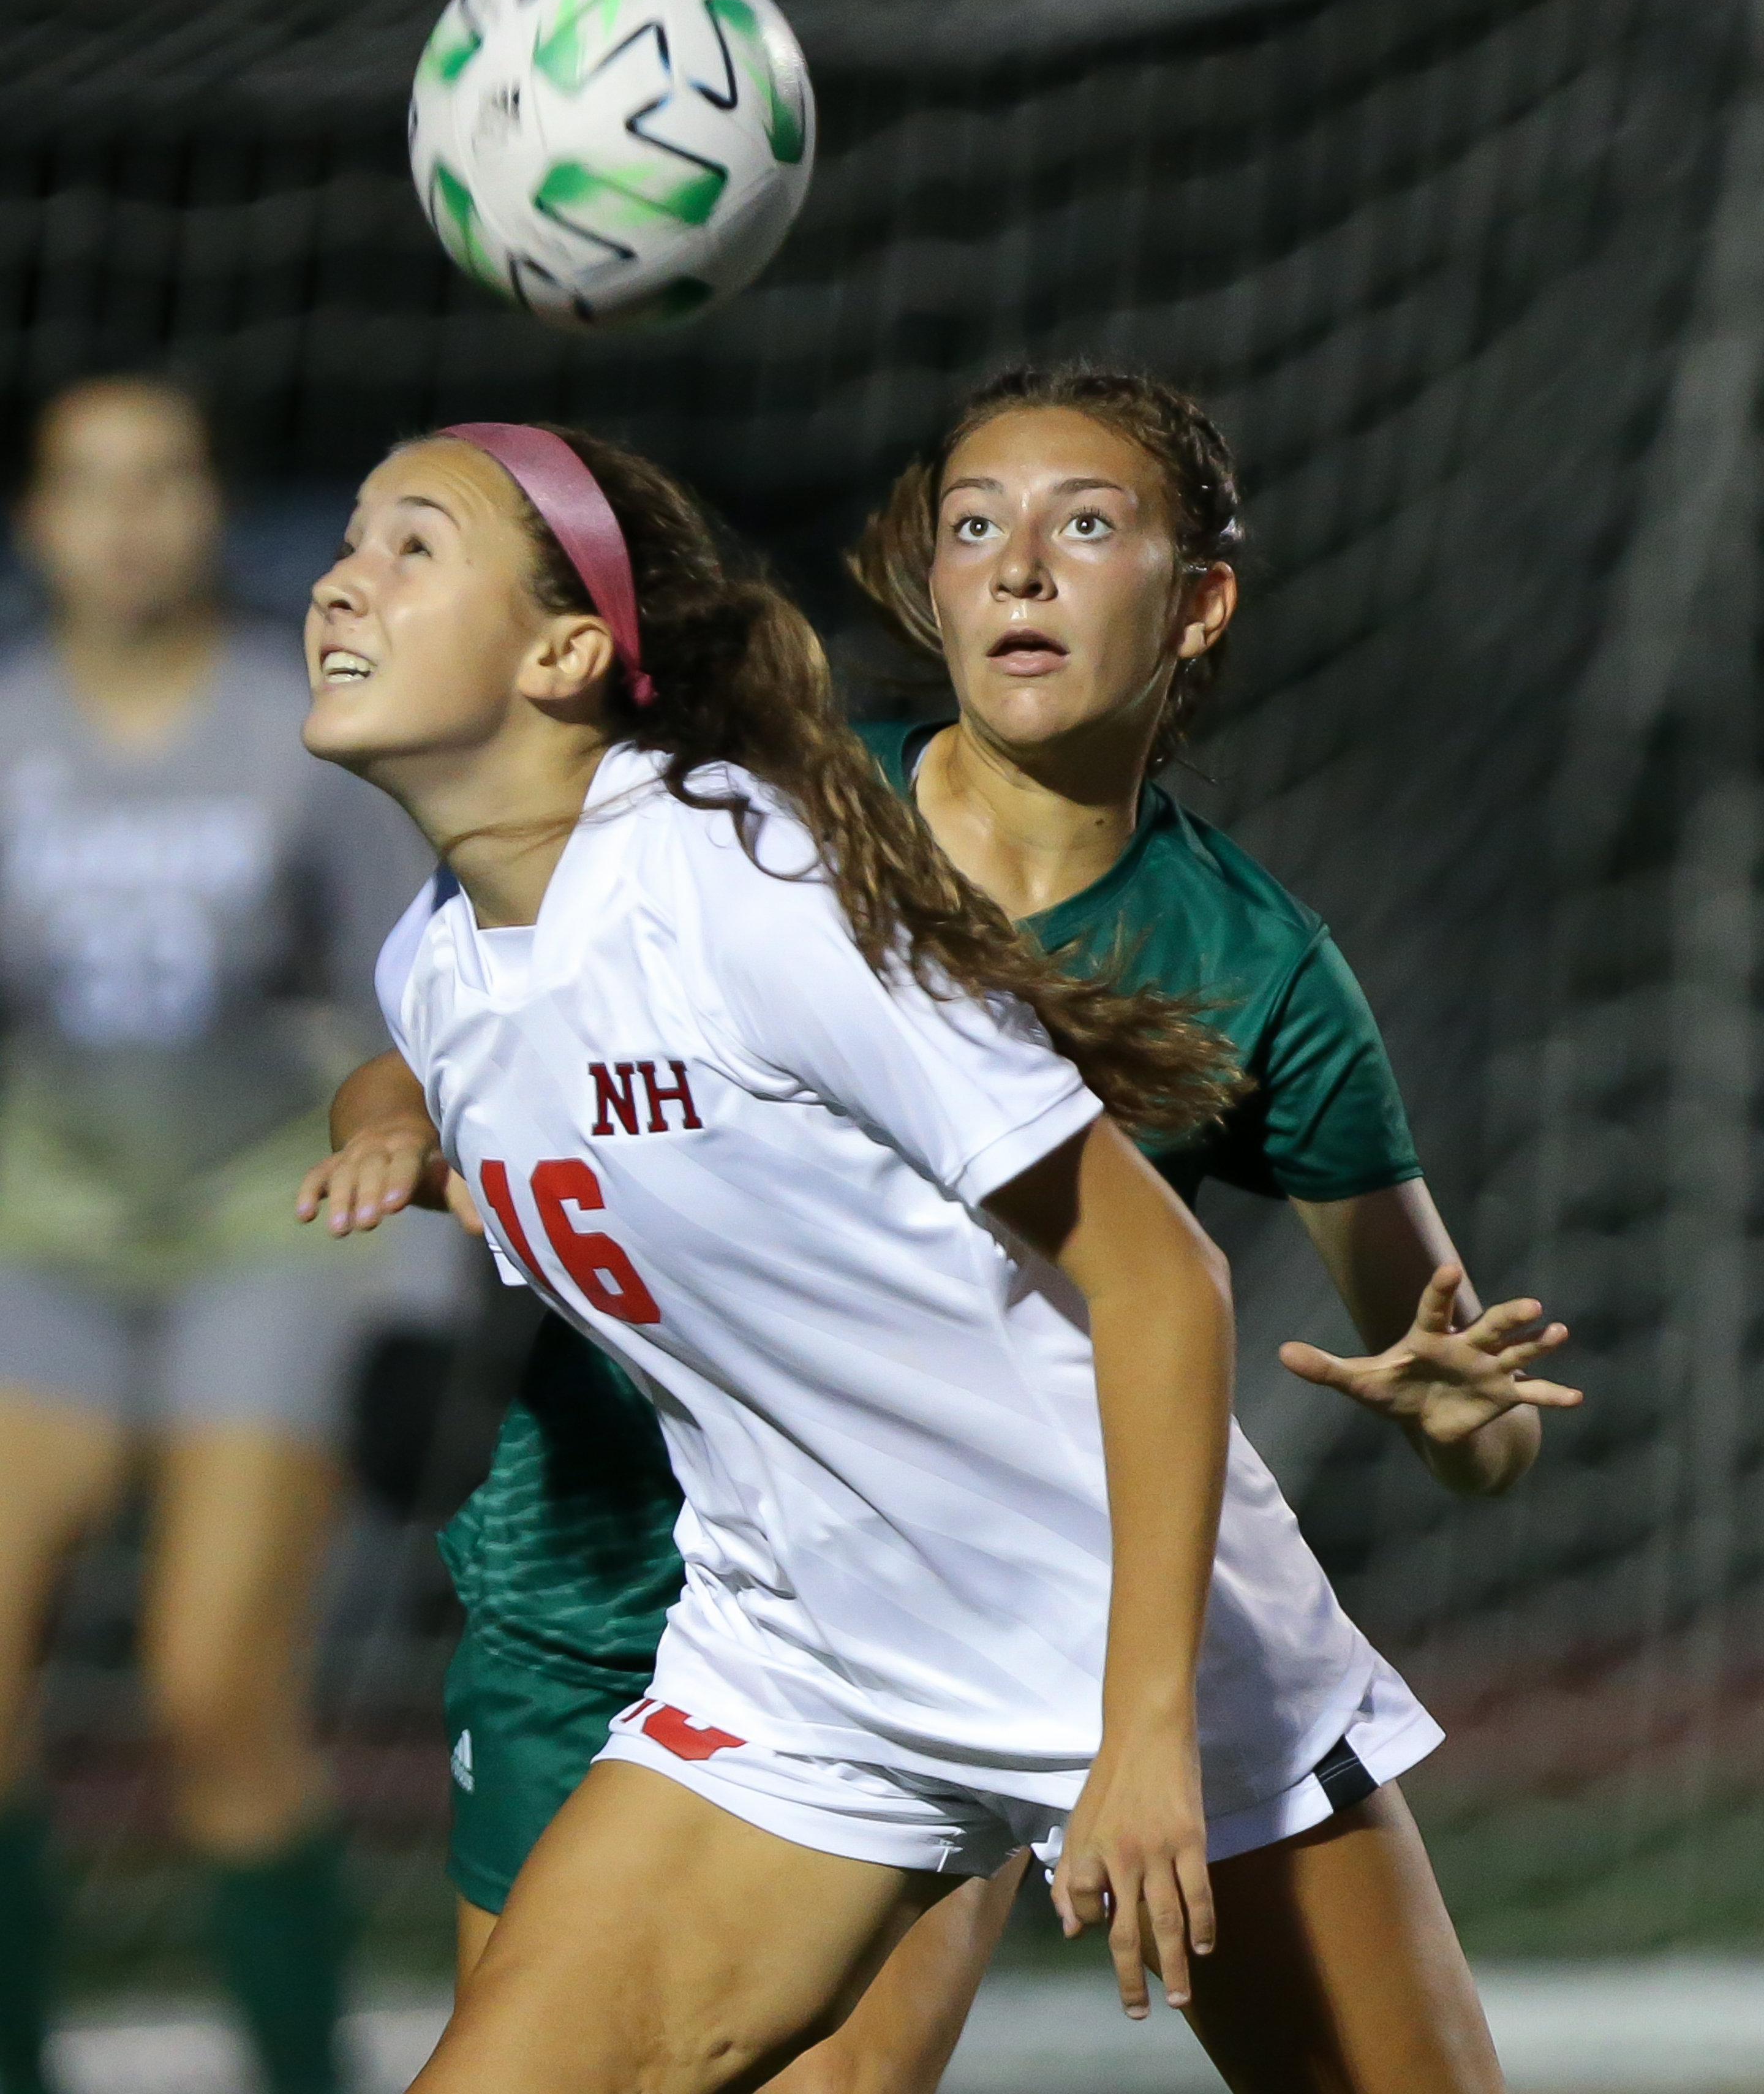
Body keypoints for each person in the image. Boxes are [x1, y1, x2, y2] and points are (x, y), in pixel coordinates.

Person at [298, 416, 1572, 2093]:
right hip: (806, 1658)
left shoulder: (746, 884)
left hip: (1118, 1629)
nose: (340, 577)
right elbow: (458, 1053)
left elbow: (1166, 1280)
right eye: (352, 533)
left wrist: (1141, 1738)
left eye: (414, 544)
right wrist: (394, 1133)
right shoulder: (444, 963)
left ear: (567, 650)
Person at [0, 376, 451, 2094]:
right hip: (41, 1229)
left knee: (211, 1693)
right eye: (88, 483)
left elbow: (398, 1016)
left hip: (265, 1228)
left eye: (166, 477)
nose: (128, 517)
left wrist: (411, 1268)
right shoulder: (8, 733)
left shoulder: (302, 728)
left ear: (213, 509)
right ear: (36, 522)